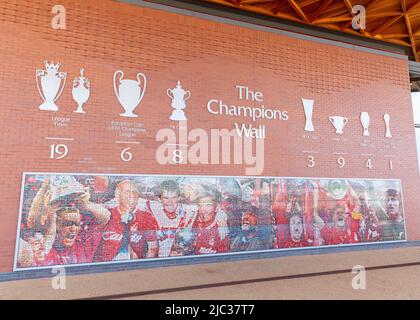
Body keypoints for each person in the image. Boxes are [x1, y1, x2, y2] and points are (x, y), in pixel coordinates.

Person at [94, 180, 159, 262]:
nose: (132, 196)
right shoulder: (107, 214)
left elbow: (153, 248)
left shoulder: (146, 216)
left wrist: (143, 265)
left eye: (135, 192)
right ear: (117, 196)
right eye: (127, 192)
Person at [142, 180, 197, 257]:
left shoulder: (188, 212)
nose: (170, 202)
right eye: (166, 198)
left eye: (173, 197)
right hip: (156, 256)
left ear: (179, 198)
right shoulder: (151, 208)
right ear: (159, 199)